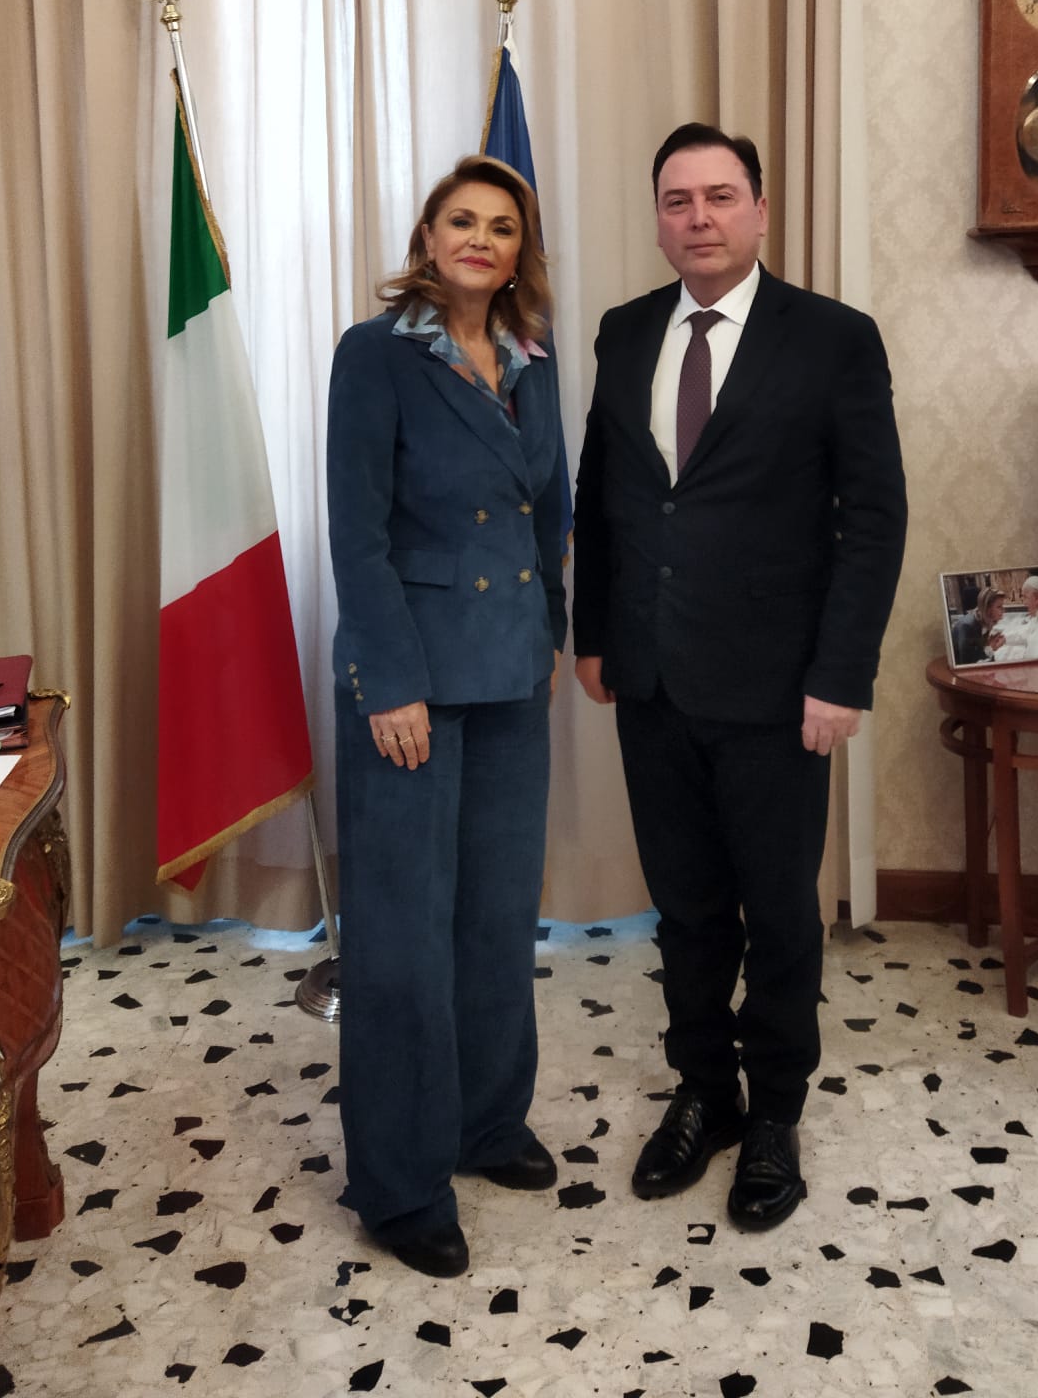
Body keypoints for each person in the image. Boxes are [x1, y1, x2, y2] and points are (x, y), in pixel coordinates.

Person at [573, 122, 906, 1231]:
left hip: (780, 689)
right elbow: (601, 497)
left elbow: (874, 518)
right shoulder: (625, 332)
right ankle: (705, 1093)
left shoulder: (833, 338)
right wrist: (592, 633)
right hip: (652, 678)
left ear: (761, 210)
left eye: (721, 196)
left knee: (779, 913)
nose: (700, 217)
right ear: (658, 219)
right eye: (678, 200)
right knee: (685, 908)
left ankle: (776, 1113)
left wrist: (841, 674)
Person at [327, 154, 568, 1279]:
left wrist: (551, 632)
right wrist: (389, 681)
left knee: (497, 917)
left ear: (519, 252)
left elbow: (547, 511)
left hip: (511, 670)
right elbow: (358, 532)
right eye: (461, 220)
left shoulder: (532, 359)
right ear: (427, 238)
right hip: (411, 678)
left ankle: (485, 1121)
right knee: (402, 934)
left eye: (501, 226)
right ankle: (399, 1182)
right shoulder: (375, 354)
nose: (480, 238)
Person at [951, 587, 1006, 666]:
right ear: (987, 608)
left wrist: (989, 644)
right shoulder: (967, 627)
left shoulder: (985, 620)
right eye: (999, 607)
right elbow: (967, 663)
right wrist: (990, 648)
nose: (1003, 610)